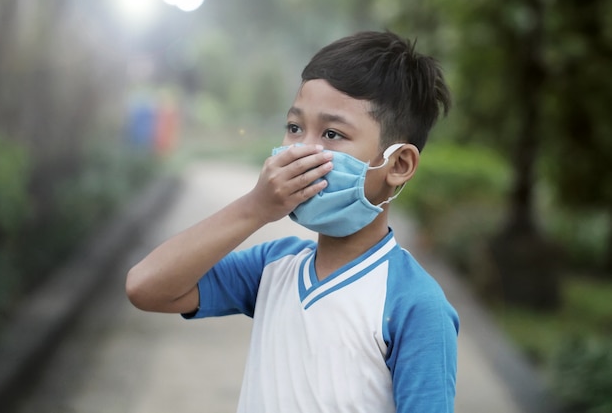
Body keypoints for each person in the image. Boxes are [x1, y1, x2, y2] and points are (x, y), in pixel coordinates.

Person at [126, 30, 459, 413]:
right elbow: (145, 286)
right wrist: (254, 208)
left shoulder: (418, 306)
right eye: (295, 128)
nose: (301, 150)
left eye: (332, 133)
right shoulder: (273, 266)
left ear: (398, 165)